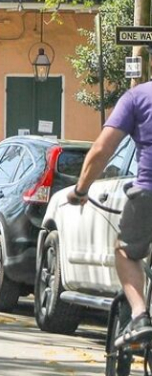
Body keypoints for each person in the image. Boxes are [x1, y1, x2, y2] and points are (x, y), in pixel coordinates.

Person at [67, 80, 152, 348]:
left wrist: (81, 190)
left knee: (126, 252)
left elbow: (102, 149)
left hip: (148, 194)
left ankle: (139, 315)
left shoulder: (138, 96)